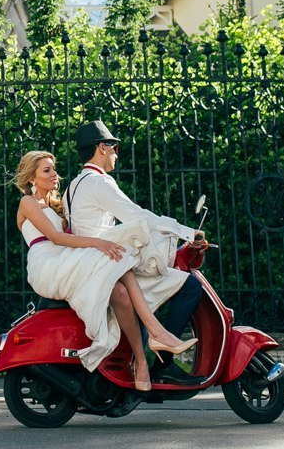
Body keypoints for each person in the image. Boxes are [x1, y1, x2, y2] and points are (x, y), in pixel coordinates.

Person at [14, 150, 197, 391]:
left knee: (121, 292)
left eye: (54, 168)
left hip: (69, 260)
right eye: (46, 170)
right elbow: (56, 238)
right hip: (48, 264)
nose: (54, 174)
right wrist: (100, 243)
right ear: (31, 178)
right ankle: (156, 332)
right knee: (116, 255)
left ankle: (140, 362)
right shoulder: (28, 202)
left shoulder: (59, 205)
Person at [65, 120, 209, 386]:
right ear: (102, 148)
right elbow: (137, 216)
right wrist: (188, 233)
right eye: (115, 147)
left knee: (157, 282)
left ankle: (152, 348)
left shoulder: (72, 186)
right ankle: (164, 361)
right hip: (105, 263)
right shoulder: (99, 183)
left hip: (94, 263)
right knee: (189, 285)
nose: (117, 153)